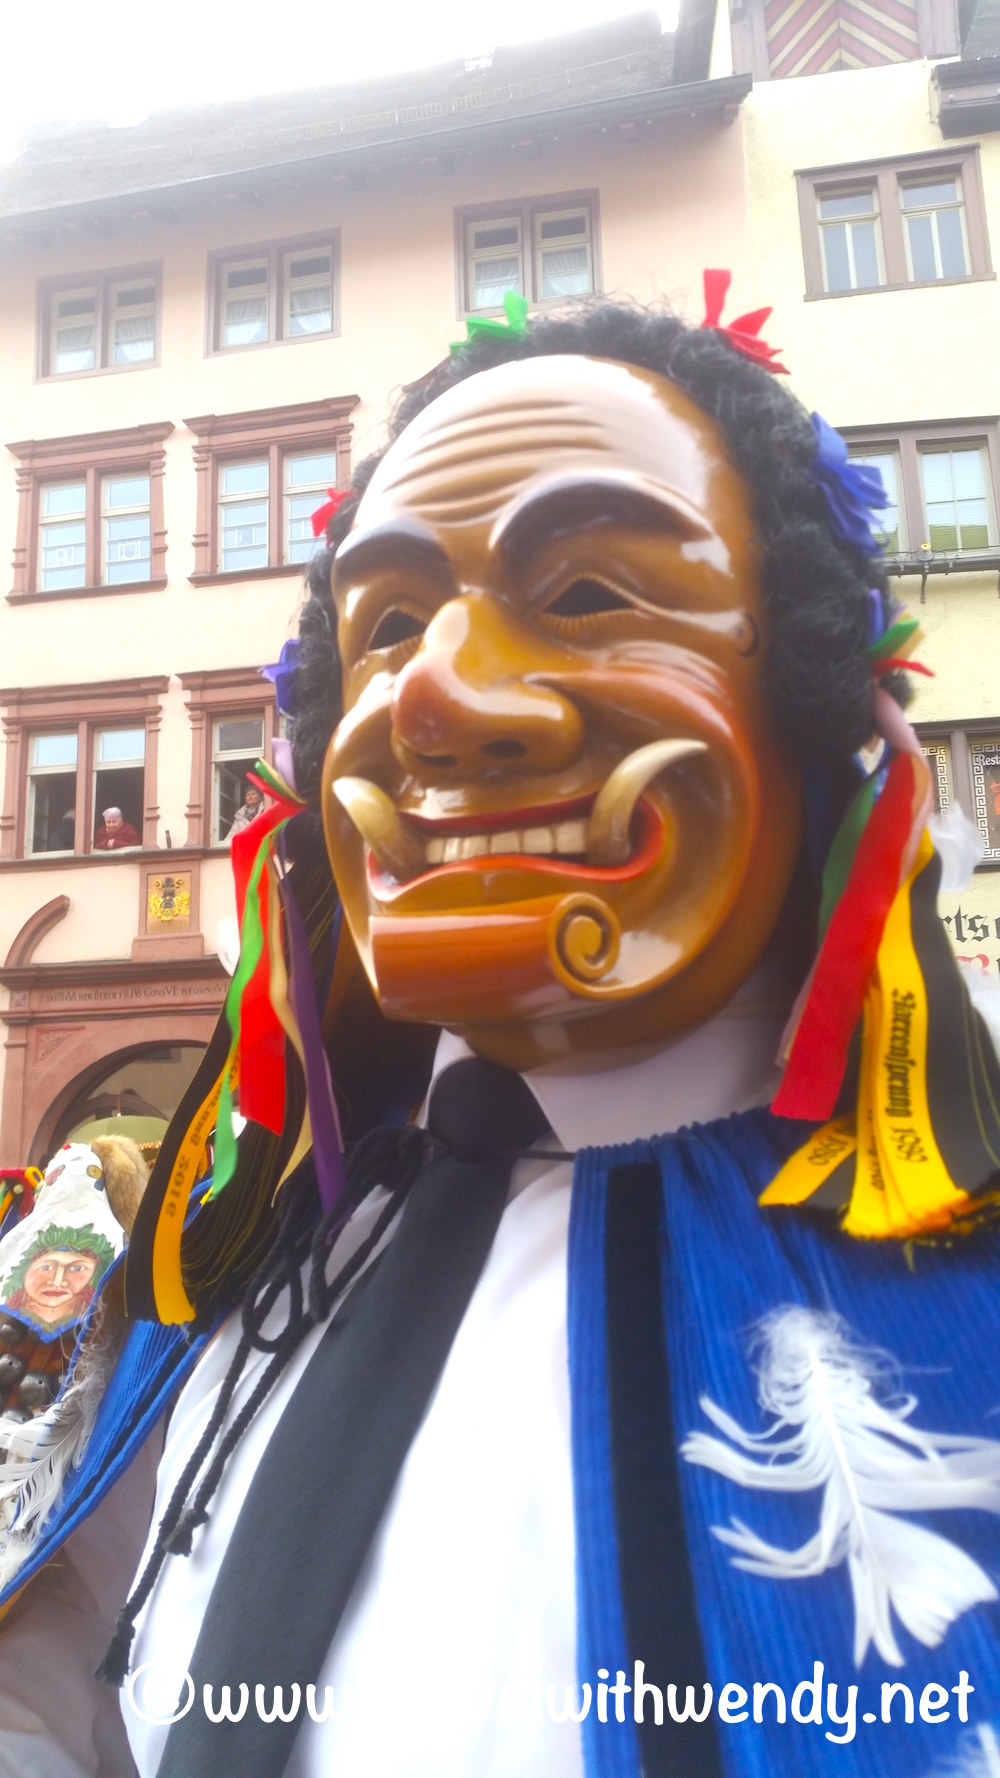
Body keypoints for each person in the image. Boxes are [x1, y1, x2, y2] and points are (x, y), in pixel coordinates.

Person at [5, 286, 1000, 1778]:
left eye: (590, 594)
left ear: (812, 711)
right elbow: (68, 1675)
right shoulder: (243, 1258)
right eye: (392, 625)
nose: (438, 700)